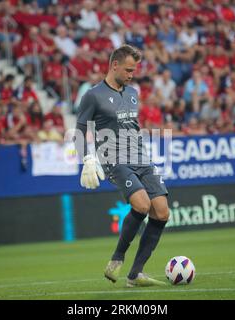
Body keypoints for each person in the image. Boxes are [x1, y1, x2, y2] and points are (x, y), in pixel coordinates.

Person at [74, 45, 169, 287]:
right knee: (142, 204)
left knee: (162, 211)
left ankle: (135, 274)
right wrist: (87, 157)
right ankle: (117, 258)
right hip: (114, 158)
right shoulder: (93, 95)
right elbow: (80, 129)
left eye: (134, 70)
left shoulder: (133, 92)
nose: (131, 74)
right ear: (114, 65)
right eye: (127, 69)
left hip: (141, 157)